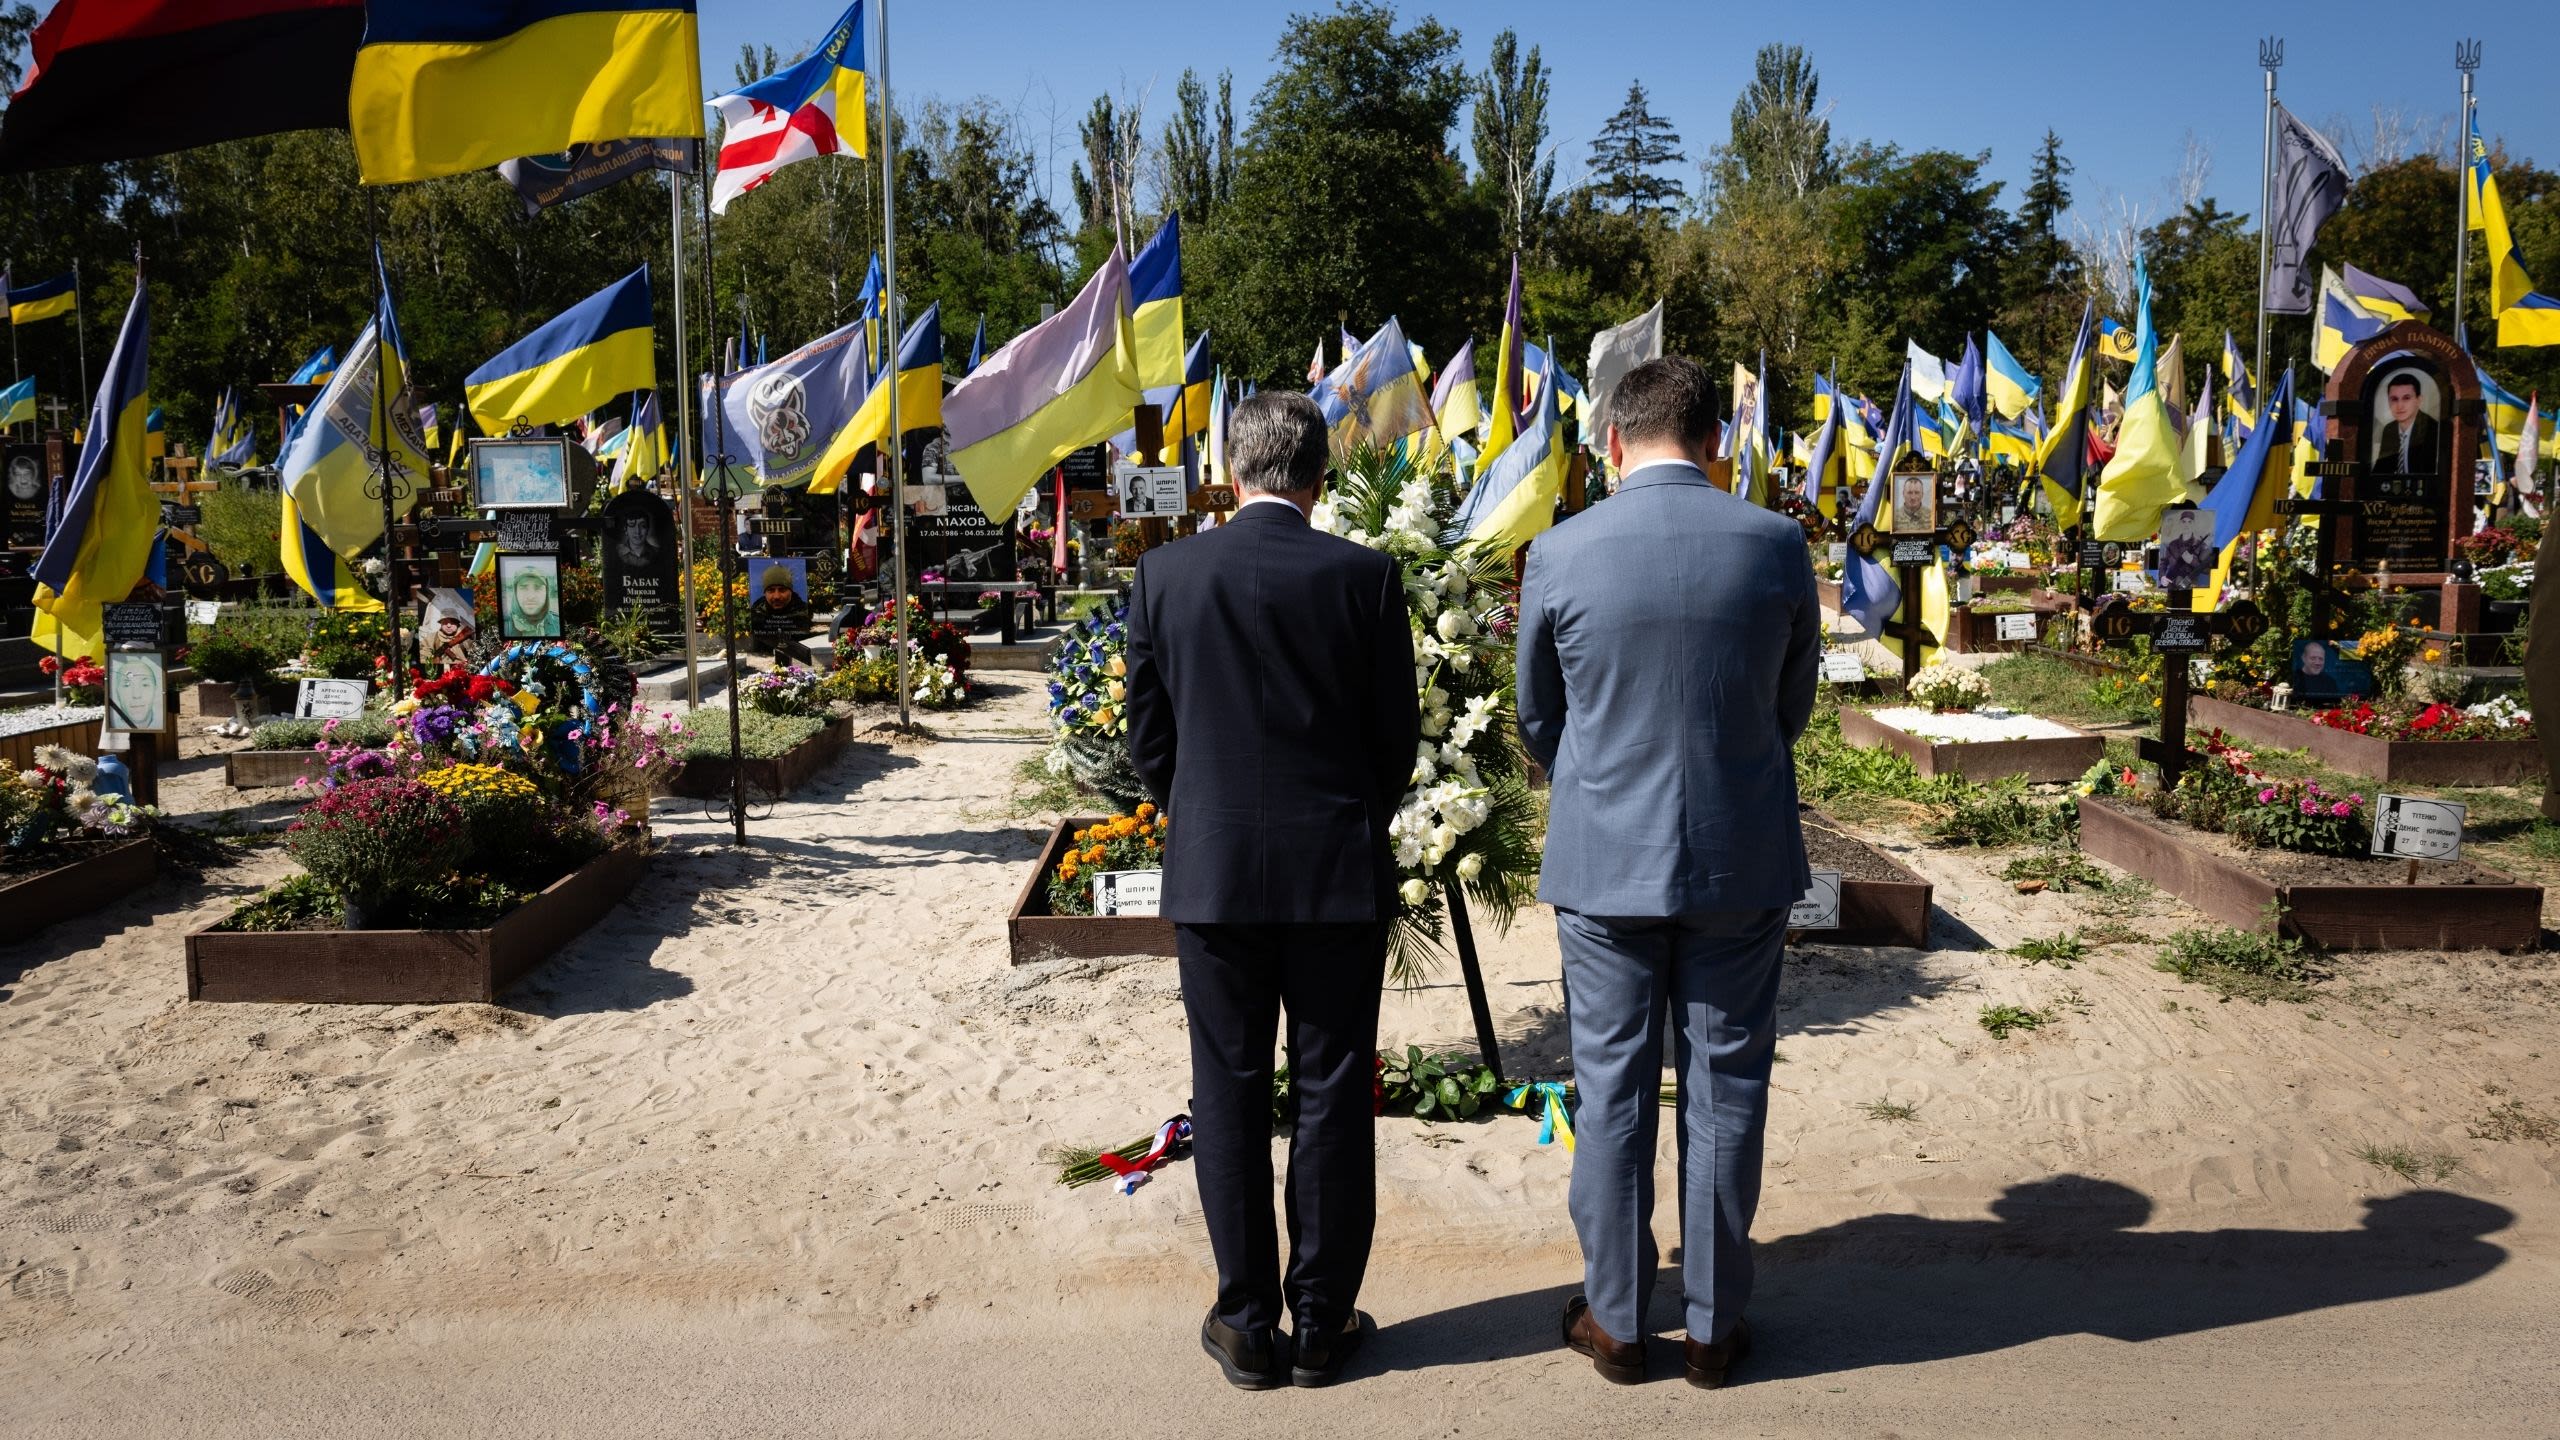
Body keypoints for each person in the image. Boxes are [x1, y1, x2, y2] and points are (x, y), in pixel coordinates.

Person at [1515, 355, 1820, 1390]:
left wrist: (1599, 782)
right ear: (1715, 441)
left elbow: (1536, 717)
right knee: (1727, 1088)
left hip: (1604, 859)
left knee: (1609, 1093)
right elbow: (1790, 708)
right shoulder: (1777, 544)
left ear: (1610, 441)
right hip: (1739, 854)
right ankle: (1712, 1327)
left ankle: (1615, 1321)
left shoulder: (1557, 551)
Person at [1123, 390, 1419, 1391]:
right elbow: (1396, 743)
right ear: (1319, 479)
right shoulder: (1366, 577)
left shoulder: (1165, 574)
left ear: (1231, 471)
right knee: (1334, 1093)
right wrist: (1343, 820)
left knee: (1230, 1089)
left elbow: (1147, 741)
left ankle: (1247, 1322)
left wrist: (1202, 815)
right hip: (1335, 869)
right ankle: (1322, 1321)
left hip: (1214, 876)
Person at [2372, 374, 2438, 476]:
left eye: (2406, 398)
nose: (2399, 406)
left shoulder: (2432, 428)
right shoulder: (2390, 429)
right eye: (2394, 399)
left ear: (2419, 400)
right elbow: (2381, 470)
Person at [748, 563, 811, 663]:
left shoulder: (800, 611)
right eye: (771, 590)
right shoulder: (757, 612)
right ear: (765, 593)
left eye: (782, 590)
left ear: (790, 591)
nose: (776, 596)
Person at [503, 563, 561, 638]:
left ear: (546, 592)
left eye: (538, 587)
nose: (531, 596)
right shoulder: (505, 627)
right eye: (523, 587)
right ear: (515, 592)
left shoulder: (558, 623)